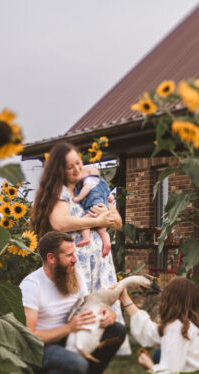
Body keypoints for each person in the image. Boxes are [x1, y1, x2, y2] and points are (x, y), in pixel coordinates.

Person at [31, 142, 131, 362]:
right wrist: (98, 220)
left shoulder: (92, 185)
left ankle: (93, 359)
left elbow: (118, 222)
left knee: (101, 310)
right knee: (77, 310)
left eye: (79, 163)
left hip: (99, 262)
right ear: (58, 170)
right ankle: (70, 361)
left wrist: (107, 214)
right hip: (76, 262)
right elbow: (58, 222)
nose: (77, 169)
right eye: (69, 167)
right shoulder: (62, 192)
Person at [20, 231, 126, 374]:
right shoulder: (31, 286)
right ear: (51, 258)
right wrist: (69, 328)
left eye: (74, 254)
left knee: (117, 330)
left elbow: (89, 304)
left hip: (68, 337)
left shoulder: (73, 276)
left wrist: (108, 314)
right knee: (77, 364)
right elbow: (29, 337)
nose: (75, 260)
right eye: (69, 255)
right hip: (37, 349)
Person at [72, 164, 113, 257]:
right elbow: (110, 197)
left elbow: (86, 189)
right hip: (104, 212)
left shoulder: (89, 179)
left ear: (89, 173)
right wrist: (109, 201)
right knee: (103, 231)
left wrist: (78, 198)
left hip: (93, 208)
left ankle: (86, 238)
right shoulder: (103, 183)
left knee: (85, 221)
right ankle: (107, 243)